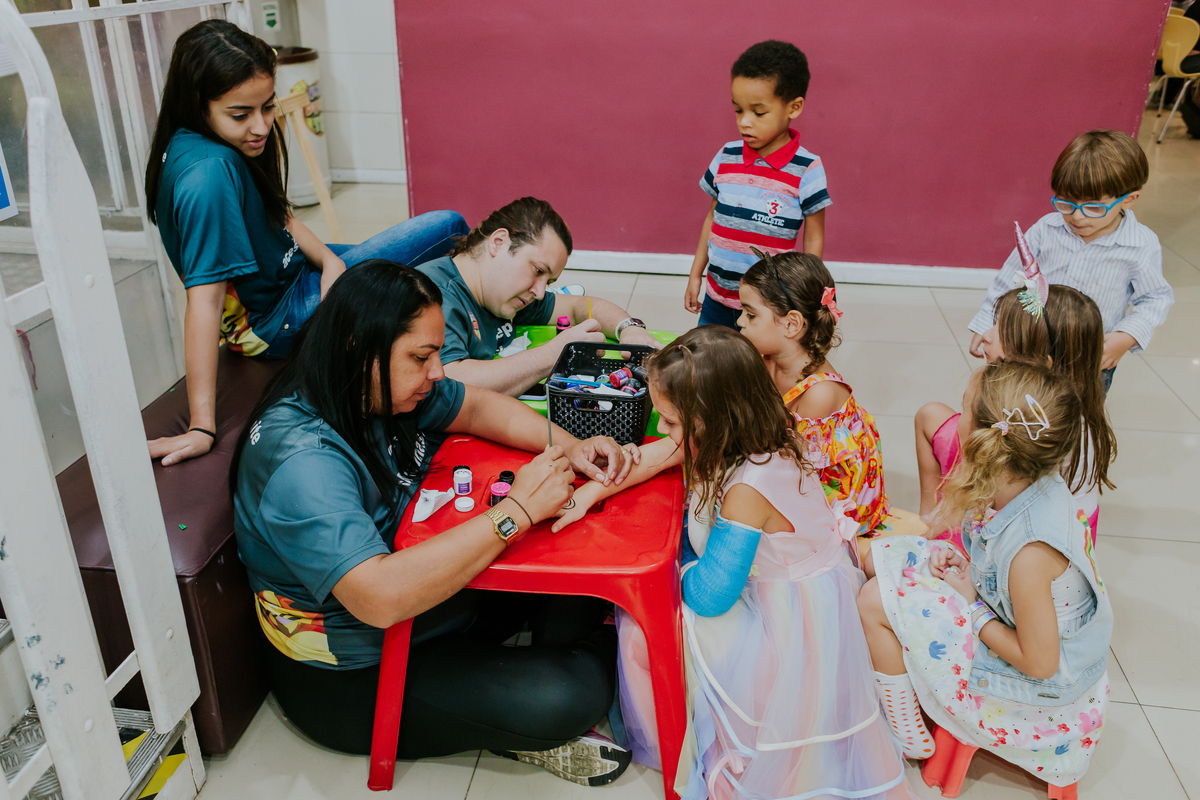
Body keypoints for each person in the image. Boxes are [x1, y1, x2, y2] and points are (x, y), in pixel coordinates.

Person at [230, 260, 642, 786]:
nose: (438, 371)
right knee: (569, 693)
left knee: (576, 564)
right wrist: (514, 513)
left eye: (436, 354)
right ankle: (556, 680)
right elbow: (379, 597)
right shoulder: (301, 461)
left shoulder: (379, 386)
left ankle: (539, 668)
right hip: (353, 672)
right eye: (421, 357)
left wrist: (572, 446)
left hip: (428, 603)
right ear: (358, 347)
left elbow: (479, 408)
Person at [555, 327, 911, 800]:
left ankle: (674, 741)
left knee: (641, 629)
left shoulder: (746, 491)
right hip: (784, 588)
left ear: (709, 419)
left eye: (671, 421)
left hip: (785, 624)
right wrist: (592, 491)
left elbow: (711, 596)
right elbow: (662, 454)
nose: (663, 431)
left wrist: (678, 563)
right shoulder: (760, 434)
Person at [144, 20, 467, 467]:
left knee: (420, 254)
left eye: (268, 107)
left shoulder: (197, 139)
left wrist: (331, 263)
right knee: (449, 227)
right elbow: (204, 300)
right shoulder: (208, 177)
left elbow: (279, 214)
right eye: (241, 115)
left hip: (297, 275)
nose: (260, 126)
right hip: (276, 322)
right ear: (198, 103)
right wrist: (202, 426)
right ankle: (461, 353)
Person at [859, 360, 1113, 789]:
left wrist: (973, 606)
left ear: (985, 437)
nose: (955, 418)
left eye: (964, 410)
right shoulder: (1031, 485)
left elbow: (1040, 662)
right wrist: (971, 575)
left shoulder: (1031, 551)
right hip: (1014, 633)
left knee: (872, 601)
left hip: (1035, 700)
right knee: (884, 559)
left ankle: (907, 732)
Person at [967, 130, 1174, 393]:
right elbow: (1009, 279)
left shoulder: (1141, 244)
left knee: (1076, 412)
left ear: (1129, 199)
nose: (1077, 216)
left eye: (1094, 208)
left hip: (1088, 357)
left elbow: (1155, 299)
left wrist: (1126, 337)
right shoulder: (1046, 229)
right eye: (1066, 203)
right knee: (1019, 401)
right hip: (1032, 344)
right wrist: (987, 323)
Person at [917, 285, 1117, 549]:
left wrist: (948, 519)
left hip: (1019, 529)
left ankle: (939, 533)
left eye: (1002, 332)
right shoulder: (1019, 400)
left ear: (1038, 362)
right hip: (998, 488)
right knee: (929, 415)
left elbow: (1004, 503)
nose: (986, 336)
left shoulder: (1044, 431)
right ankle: (927, 519)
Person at [417, 197, 663, 398]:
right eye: (537, 270)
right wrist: (553, 353)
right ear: (499, 242)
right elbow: (450, 384)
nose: (540, 292)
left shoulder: (506, 295)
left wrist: (628, 328)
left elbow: (579, 306)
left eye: (549, 282)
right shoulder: (433, 298)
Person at [737, 252, 889, 535]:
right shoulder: (765, 358)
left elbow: (801, 478)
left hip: (835, 499)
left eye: (750, 314)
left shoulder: (820, 394)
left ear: (791, 324)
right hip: (789, 464)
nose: (740, 321)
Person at [683, 40, 831, 329]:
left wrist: (806, 292)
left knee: (757, 360)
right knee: (710, 356)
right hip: (716, 298)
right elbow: (712, 218)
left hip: (767, 308)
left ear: (794, 107)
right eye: (738, 110)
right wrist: (695, 273)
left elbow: (814, 239)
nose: (745, 122)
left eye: (758, 112)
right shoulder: (726, 156)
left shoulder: (807, 169)